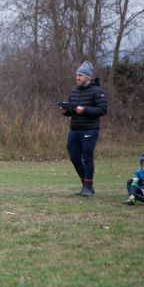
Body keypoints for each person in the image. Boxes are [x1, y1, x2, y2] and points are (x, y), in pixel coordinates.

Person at [60, 61, 108, 197]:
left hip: (90, 130)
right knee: (74, 157)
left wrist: (85, 110)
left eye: (80, 75)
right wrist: (66, 111)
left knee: (87, 157)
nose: (77, 77)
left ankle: (88, 186)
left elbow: (102, 109)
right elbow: (73, 110)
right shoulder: (73, 91)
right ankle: (85, 184)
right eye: (76, 75)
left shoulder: (98, 91)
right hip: (74, 129)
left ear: (88, 77)